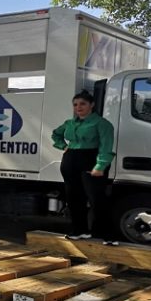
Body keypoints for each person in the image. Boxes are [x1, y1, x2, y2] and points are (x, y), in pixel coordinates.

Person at [52, 90, 116, 245]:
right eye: (75, 104)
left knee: (96, 198)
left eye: (82, 104)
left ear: (91, 105)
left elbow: (106, 147)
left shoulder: (102, 123)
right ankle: (79, 230)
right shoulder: (70, 123)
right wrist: (63, 146)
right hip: (70, 160)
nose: (78, 107)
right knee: (73, 198)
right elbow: (56, 134)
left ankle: (106, 234)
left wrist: (100, 165)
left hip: (91, 160)